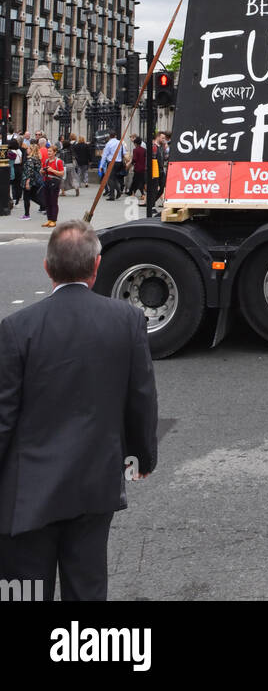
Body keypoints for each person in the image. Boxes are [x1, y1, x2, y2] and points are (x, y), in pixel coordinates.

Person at [0, 221, 158, 601]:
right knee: (87, 586)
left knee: (24, 591)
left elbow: (4, 417)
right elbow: (140, 397)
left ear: (46, 267)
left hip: (28, 490)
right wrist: (142, 456)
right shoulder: (126, 321)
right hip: (94, 480)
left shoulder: (17, 328)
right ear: (97, 265)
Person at [42, 143, 65, 228]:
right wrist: (42, 171)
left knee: (53, 201)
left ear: (55, 152)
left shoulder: (58, 161)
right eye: (48, 151)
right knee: (47, 201)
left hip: (54, 182)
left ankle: (54, 220)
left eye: (50, 151)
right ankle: (49, 219)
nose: (48, 153)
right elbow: (43, 171)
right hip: (46, 181)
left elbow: (62, 173)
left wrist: (52, 170)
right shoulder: (46, 161)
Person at [130, 136, 147, 203]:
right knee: (141, 181)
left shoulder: (135, 150)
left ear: (136, 143)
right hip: (143, 168)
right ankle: (135, 193)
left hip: (137, 168)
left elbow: (134, 159)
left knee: (136, 180)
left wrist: (130, 164)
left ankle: (139, 194)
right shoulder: (144, 150)